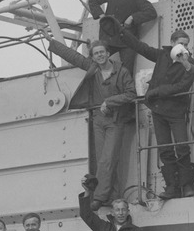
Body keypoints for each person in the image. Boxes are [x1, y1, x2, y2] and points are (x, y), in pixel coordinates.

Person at [48, 37, 137, 208]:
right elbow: (74, 57)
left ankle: (99, 197)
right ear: (93, 57)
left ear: (108, 53)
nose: (100, 56)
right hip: (98, 120)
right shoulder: (93, 69)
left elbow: (131, 93)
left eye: (102, 52)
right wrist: (51, 42)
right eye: (96, 54)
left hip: (115, 120)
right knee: (104, 160)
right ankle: (113, 196)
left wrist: (110, 101)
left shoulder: (122, 72)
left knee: (107, 160)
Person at [115, 22, 194, 199]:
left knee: (182, 147)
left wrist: (157, 91)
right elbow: (141, 47)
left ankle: (187, 184)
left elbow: (183, 85)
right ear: (173, 42)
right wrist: (123, 32)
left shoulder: (189, 63)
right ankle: (172, 187)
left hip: (176, 111)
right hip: (158, 110)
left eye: (186, 44)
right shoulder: (162, 55)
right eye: (180, 43)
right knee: (165, 149)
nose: (183, 47)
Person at [86, 0, 157, 75]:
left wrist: (133, 17)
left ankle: (126, 91)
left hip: (127, 39)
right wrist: (102, 16)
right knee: (95, 64)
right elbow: (93, 1)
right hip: (109, 36)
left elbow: (151, 12)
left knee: (127, 71)